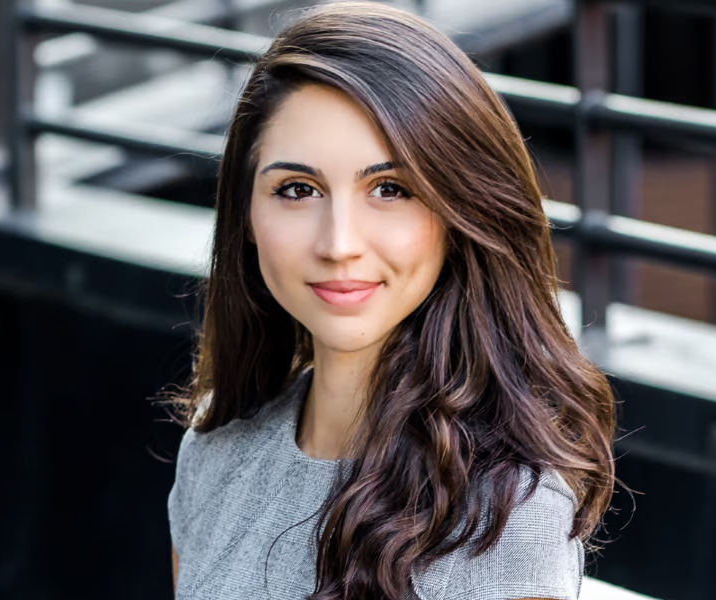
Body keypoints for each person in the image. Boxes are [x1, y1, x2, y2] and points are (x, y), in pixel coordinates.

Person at [167, 2, 616, 599]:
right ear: (246, 214)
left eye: (390, 189)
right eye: (297, 190)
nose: (339, 244)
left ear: (458, 212)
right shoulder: (214, 452)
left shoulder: (508, 513)